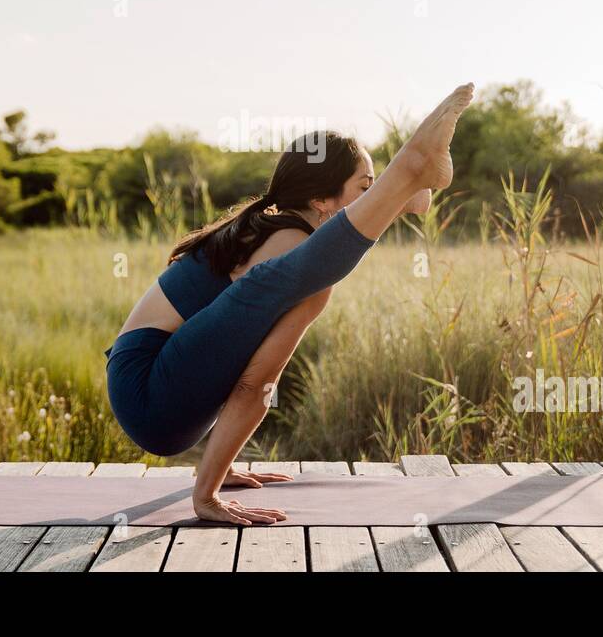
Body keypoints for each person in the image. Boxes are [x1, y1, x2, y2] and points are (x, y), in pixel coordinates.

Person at [104, 83, 475, 524]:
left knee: (314, 273)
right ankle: (409, 172)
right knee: (315, 277)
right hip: (149, 393)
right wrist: (207, 495)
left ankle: (409, 183)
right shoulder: (286, 241)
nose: (369, 198)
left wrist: (220, 468)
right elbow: (256, 385)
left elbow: (227, 357)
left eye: (375, 189)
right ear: (319, 200)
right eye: (366, 188)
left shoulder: (274, 230)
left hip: (158, 393)